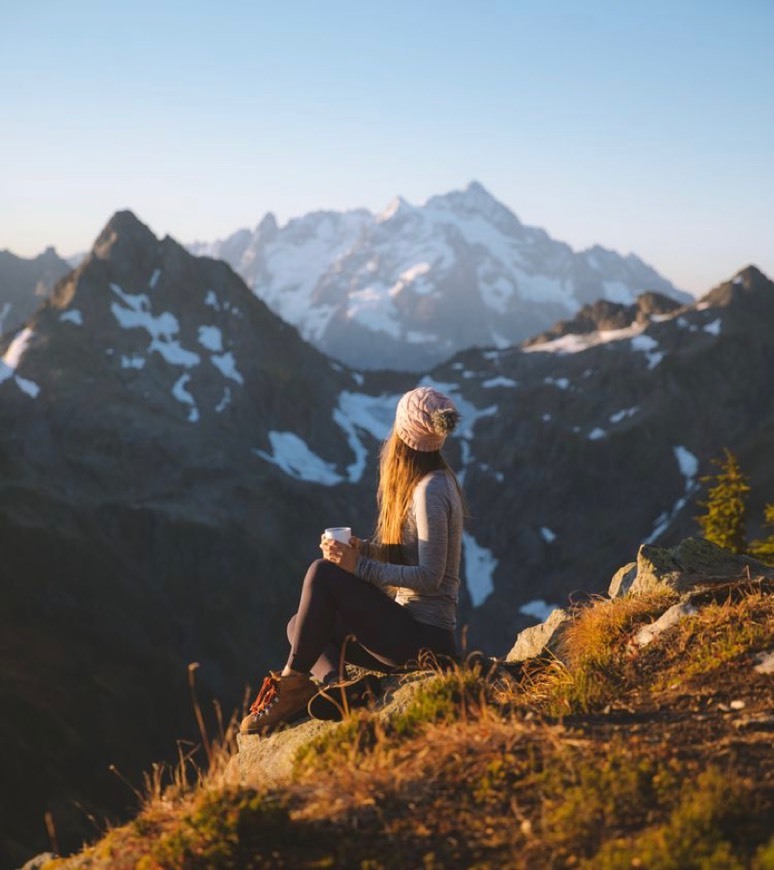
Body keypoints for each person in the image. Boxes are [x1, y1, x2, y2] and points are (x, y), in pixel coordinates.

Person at [240, 386, 465, 735]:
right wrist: (363, 550)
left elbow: (430, 577)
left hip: (427, 640)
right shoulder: (433, 481)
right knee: (298, 624)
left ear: (404, 434)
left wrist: (356, 567)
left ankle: (291, 685)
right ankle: (340, 687)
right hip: (408, 633)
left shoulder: (430, 490)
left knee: (322, 573)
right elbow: (411, 556)